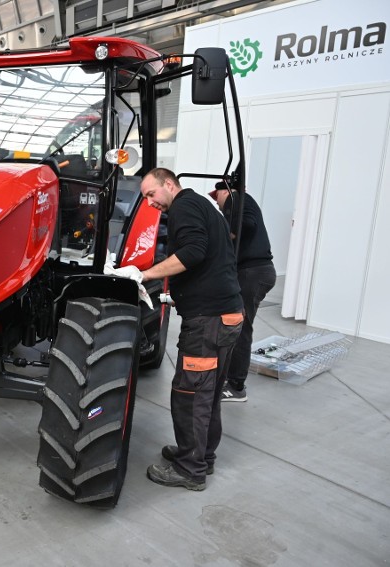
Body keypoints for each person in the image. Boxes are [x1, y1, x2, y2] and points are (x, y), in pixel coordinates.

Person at [138, 168, 244, 491]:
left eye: (151, 194)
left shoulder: (184, 206)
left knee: (190, 393)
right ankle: (201, 456)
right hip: (228, 316)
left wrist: (145, 275)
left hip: (208, 322)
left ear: (169, 184)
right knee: (207, 392)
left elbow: (193, 252)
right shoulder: (201, 205)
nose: (150, 203)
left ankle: (189, 469)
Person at [209, 181, 276, 402]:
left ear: (223, 191)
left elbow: (245, 225)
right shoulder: (242, 203)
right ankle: (229, 378)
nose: (217, 204)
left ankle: (236, 387)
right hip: (254, 272)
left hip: (253, 273)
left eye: (215, 197)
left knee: (240, 328)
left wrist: (225, 236)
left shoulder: (235, 199)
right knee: (236, 325)